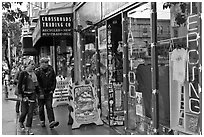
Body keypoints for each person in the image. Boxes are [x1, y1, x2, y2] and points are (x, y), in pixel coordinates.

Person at [35, 57, 59, 129]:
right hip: (41, 92)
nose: (46, 64)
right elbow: (37, 83)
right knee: (41, 107)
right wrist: (40, 92)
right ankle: (42, 120)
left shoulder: (51, 70)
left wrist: (52, 89)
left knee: (49, 106)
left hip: (49, 91)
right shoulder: (38, 71)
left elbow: (54, 80)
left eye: (47, 62)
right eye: (44, 63)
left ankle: (51, 121)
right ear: (41, 64)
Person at [18, 60, 39, 135]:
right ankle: (21, 121)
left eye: (34, 64)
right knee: (24, 111)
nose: (33, 66)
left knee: (30, 112)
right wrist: (20, 95)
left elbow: (37, 85)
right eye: (31, 64)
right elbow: (19, 85)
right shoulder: (23, 73)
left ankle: (28, 129)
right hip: (25, 94)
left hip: (32, 94)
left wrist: (38, 94)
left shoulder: (35, 74)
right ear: (27, 65)